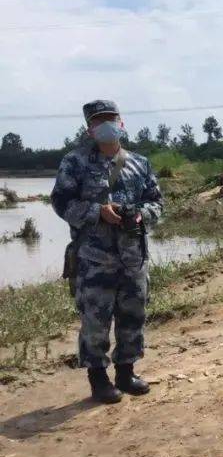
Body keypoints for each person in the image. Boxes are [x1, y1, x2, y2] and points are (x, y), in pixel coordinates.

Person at [51, 100, 163, 404]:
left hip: (133, 257)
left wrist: (139, 214)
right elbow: (61, 203)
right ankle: (98, 379)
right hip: (93, 258)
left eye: (110, 119)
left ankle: (126, 372)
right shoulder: (74, 162)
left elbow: (157, 203)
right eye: (99, 121)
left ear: (121, 123)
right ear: (89, 128)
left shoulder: (139, 163)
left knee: (133, 315)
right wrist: (97, 212)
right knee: (95, 320)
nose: (106, 125)